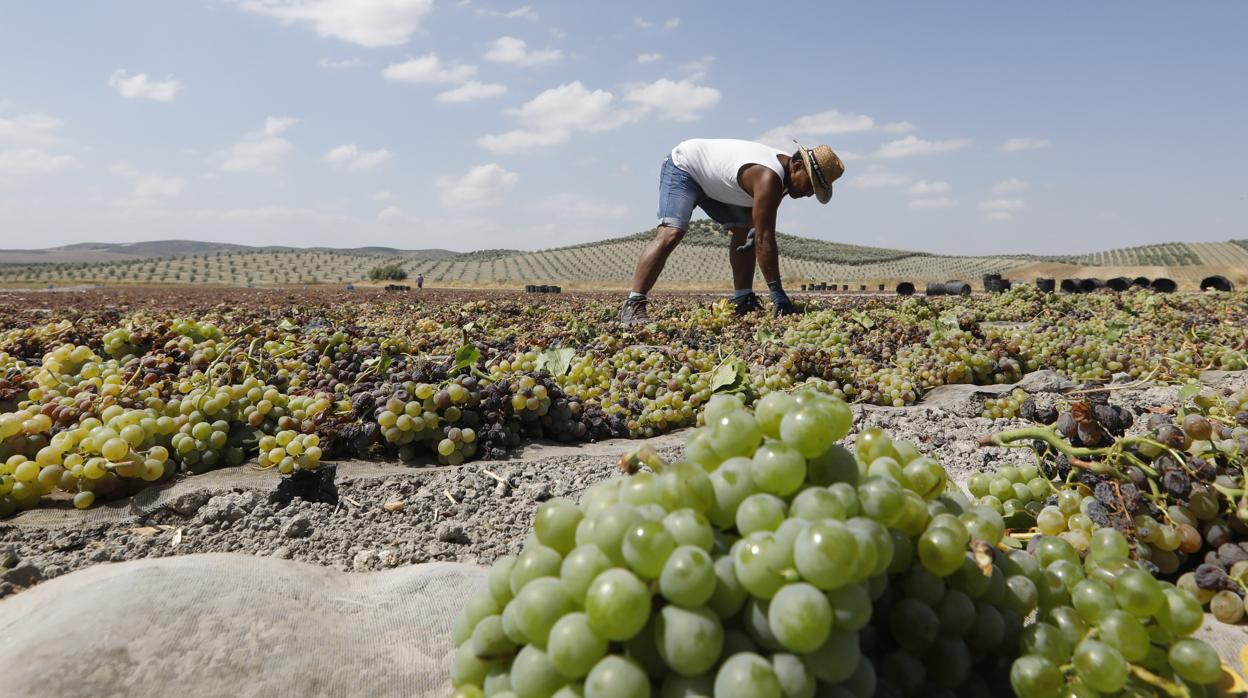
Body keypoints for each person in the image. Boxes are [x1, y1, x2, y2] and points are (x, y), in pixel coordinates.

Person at [619, 138, 844, 324]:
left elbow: (759, 230)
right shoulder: (768, 177)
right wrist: (777, 293)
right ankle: (633, 303)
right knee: (672, 232)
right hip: (685, 168)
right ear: (797, 167)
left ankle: (742, 299)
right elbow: (765, 239)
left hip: (716, 185)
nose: (809, 194)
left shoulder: (783, 179)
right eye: (811, 185)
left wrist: (756, 229)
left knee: (745, 232)